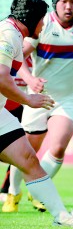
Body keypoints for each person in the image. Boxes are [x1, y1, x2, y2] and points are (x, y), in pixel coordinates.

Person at [2, 0, 73, 213]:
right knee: (27, 150)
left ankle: (38, 191)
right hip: (39, 97)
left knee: (58, 147)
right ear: (54, 4)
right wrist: (30, 80)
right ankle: (13, 192)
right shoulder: (41, 27)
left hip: (69, 97)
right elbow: (19, 57)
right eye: (64, 1)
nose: (69, 6)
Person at [0, 56, 32, 203]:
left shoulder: (37, 58)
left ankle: (7, 190)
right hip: (6, 106)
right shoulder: (7, 50)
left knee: (20, 152)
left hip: (23, 108)